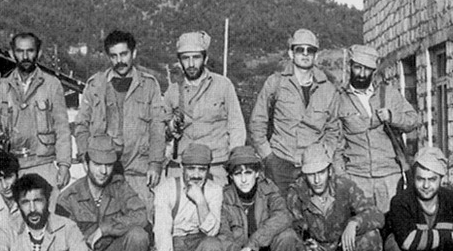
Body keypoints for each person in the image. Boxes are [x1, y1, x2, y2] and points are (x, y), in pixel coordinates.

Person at [57, 134, 149, 251]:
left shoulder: (119, 187)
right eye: (98, 164)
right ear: (86, 164)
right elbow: (60, 242)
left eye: (108, 165)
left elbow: (141, 216)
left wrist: (104, 229)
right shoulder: (69, 197)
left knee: (139, 235)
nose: (104, 171)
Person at [74, 30, 165, 215]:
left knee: (142, 221)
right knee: (105, 222)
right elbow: (81, 125)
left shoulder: (149, 85)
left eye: (124, 54)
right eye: (114, 56)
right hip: (104, 171)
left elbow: (157, 127)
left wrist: (155, 163)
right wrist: (85, 156)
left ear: (134, 53)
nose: (119, 61)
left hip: (138, 170)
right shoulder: (95, 85)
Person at [286, 143, 383, 251]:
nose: (317, 180)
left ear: (330, 170)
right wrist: (304, 249)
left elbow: (376, 214)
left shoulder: (345, 187)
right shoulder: (296, 193)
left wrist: (354, 223)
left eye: (321, 173)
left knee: (370, 236)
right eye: (311, 175)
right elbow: (289, 229)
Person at [0, 32, 71, 210]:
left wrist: (64, 165)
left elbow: (62, 128)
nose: (25, 56)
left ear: (39, 52)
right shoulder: (0, 88)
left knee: (49, 215)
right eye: (20, 51)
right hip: (11, 169)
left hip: (42, 164)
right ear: (12, 53)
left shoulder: (52, 85)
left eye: (30, 51)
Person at [250, 29, 341, 195]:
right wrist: (267, 156)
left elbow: (333, 129)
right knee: (278, 209)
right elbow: (258, 121)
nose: (305, 54)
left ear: (316, 55)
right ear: (291, 53)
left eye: (310, 50)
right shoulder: (275, 83)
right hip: (280, 163)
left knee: (312, 210)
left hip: (313, 167)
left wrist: (325, 156)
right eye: (300, 50)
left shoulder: (328, 89)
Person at [219, 146, 300, 251]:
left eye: (248, 173)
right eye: (237, 174)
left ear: (257, 173)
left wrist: (253, 244)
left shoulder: (269, 190)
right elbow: (224, 238)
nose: (243, 180)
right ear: (231, 176)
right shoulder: (224, 197)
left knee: (287, 235)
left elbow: (283, 216)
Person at [336, 44, 417, 213]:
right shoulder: (339, 98)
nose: (361, 74)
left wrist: (392, 117)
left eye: (367, 69)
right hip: (357, 178)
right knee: (362, 224)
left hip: (389, 177)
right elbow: (334, 140)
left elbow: (413, 120)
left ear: (373, 71)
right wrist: (341, 175)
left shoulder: (388, 94)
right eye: (357, 67)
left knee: (393, 223)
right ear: (350, 66)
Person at [152, 143, 226, 251]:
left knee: (212, 245)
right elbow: (162, 232)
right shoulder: (166, 189)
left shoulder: (214, 190)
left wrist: (200, 201)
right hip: (173, 246)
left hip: (198, 245)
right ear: (181, 167)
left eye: (202, 169)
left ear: (208, 170)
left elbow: (212, 231)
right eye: (191, 168)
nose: (196, 175)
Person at [164, 31, 246, 187]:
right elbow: (160, 131)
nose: (191, 64)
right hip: (181, 166)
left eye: (196, 57)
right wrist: (170, 128)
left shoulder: (223, 85)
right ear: (179, 61)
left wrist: (235, 162)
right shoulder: (172, 91)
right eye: (186, 58)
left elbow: (236, 126)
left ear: (205, 58)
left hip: (216, 166)